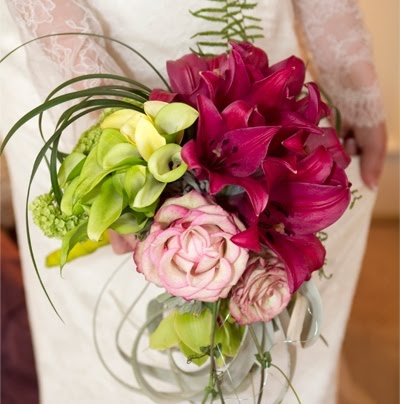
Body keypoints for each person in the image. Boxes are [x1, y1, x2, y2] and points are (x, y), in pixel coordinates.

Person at [0, 0, 386, 403]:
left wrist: (354, 82)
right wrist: (110, 147)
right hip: (88, 64)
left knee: (281, 349)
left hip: (262, 78)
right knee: (121, 344)